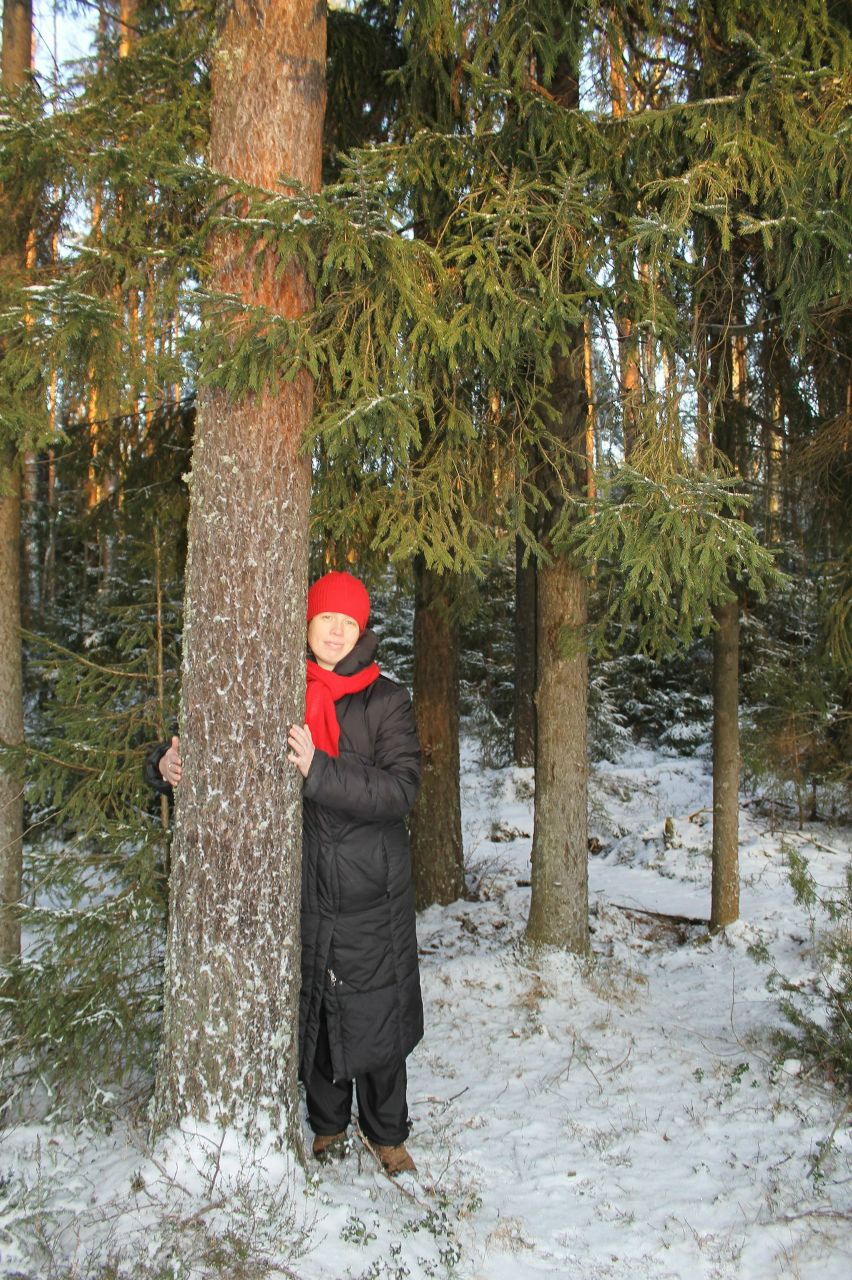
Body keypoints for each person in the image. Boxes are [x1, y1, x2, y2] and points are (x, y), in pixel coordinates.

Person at [147, 571, 423, 1175]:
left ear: (361, 631)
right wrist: (164, 764)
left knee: (378, 1012)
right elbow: (214, 739)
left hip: (372, 889)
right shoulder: (277, 685)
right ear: (307, 622)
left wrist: (320, 771)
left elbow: (401, 789)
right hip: (305, 884)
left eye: (347, 623)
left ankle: (388, 1133)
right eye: (326, 619)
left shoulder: (385, 699)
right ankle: (328, 1125)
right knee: (319, 1008)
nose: (335, 632)